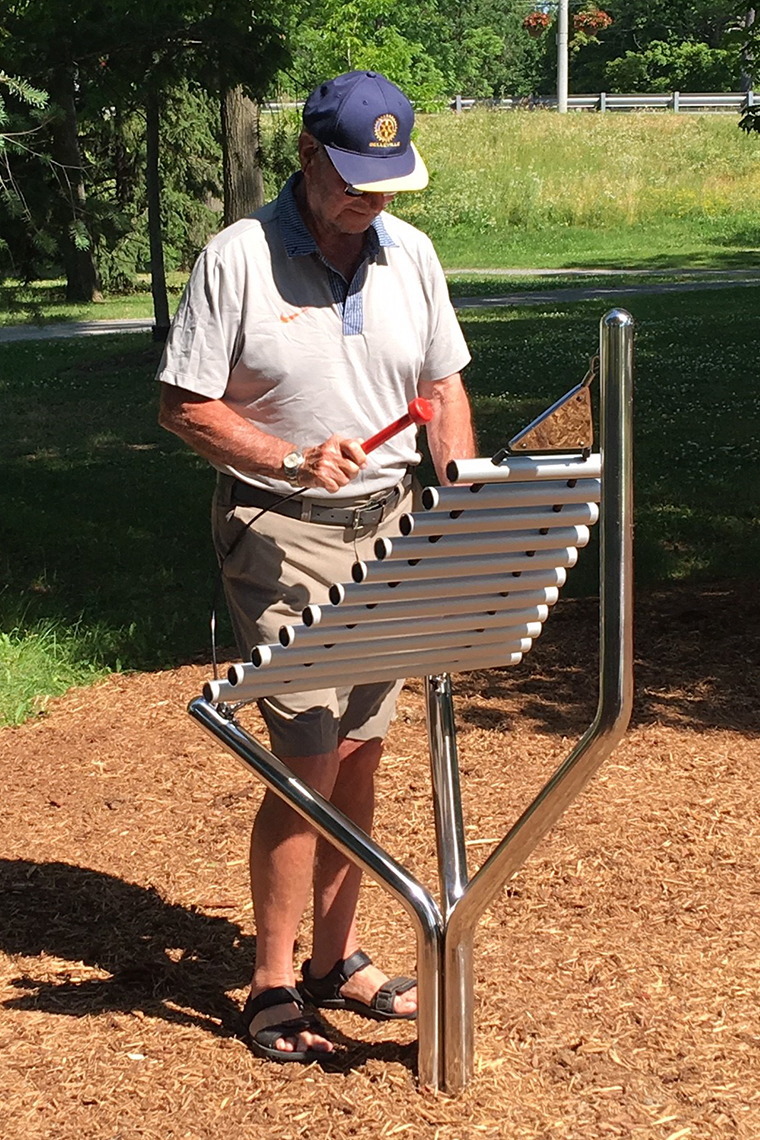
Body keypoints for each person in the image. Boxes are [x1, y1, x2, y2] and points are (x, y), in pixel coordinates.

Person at [157, 70, 476, 1063]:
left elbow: (442, 387)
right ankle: (271, 980)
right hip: (281, 527)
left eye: (387, 181)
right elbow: (183, 406)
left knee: (363, 749)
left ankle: (338, 957)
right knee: (308, 756)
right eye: (353, 179)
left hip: (391, 524)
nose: (370, 199)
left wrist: (461, 497)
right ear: (306, 157)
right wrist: (288, 455)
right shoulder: (238, 258)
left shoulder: (411, 254)